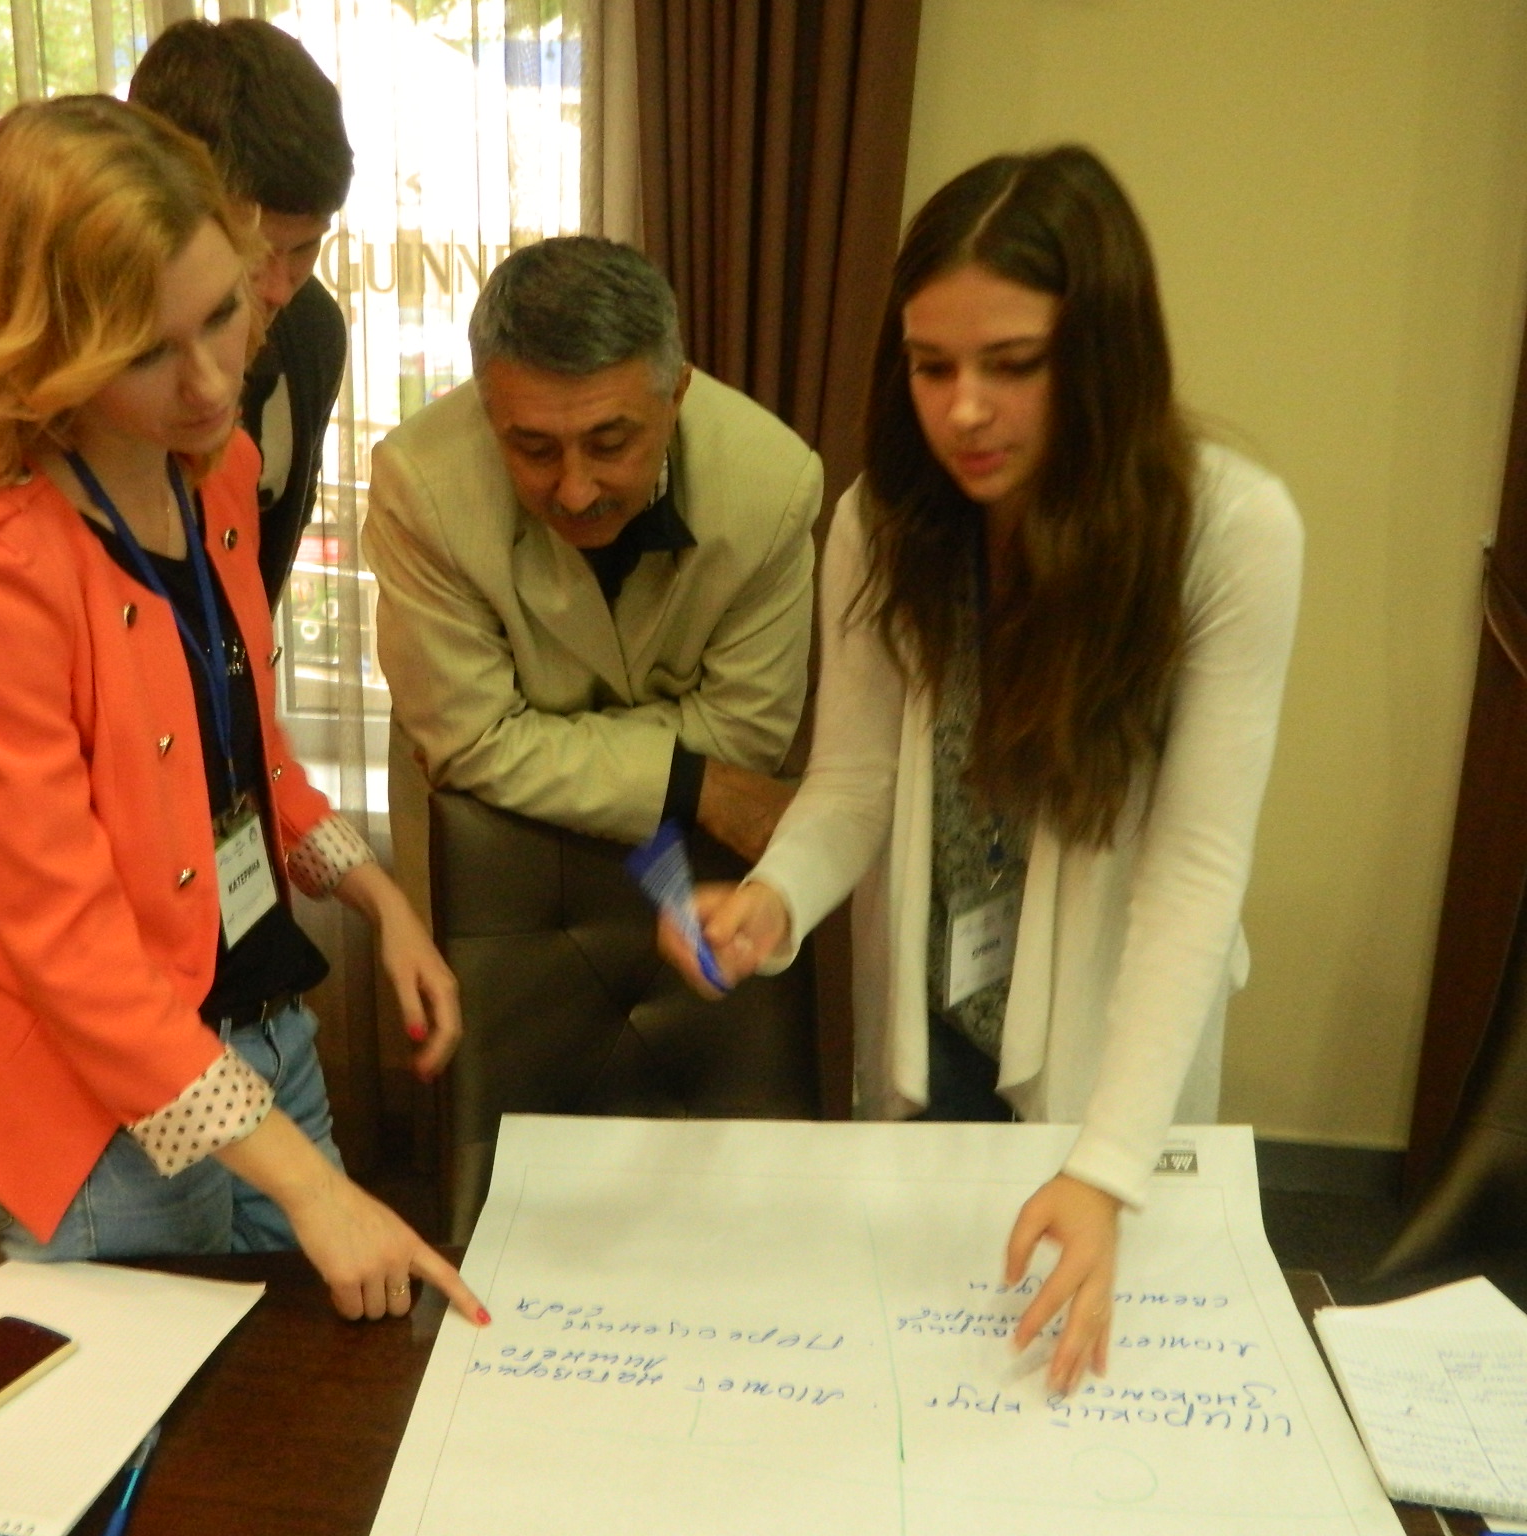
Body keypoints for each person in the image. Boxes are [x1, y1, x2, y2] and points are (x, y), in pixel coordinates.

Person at [663, 146, 1303, 1392]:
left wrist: (1104, 1170)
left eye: (1011, 364)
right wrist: (775, 899)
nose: (962, 410)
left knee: (1085, 1382)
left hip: (1114, 1041)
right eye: (930, 365)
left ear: (1102, 356)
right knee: (923, 1373)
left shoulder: (1228, 533)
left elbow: (1193, 870)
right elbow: (851, 785)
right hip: (935, 1019)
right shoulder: (882, 522)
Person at [0, 95, 480, 1326]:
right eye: (148, 353)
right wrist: (310, 1187)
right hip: (100, 1108)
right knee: (148, 1416)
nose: (213, 381)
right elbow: (65, 942)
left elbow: (246, 760)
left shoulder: (217, 476)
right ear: (47, 349)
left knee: (306, 1382)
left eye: (222, 315)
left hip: (262, 1036)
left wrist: (381, 902)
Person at [0, 18, 351, 845]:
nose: (278, 286)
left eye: (306, 249)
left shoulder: (310, 334)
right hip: (25, 789)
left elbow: (245, 572)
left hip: (204, 772)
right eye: (253, 249)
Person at [364, 236, 819, 867]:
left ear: (677, 394)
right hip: (484, 839)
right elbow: (471, 743)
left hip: (694, 844)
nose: (575, 493)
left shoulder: (773, 485)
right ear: (486, 411)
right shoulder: (419, 483)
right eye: (535, 450)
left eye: (610, 444)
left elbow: (746, 738)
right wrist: (692, 779)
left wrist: (515, 744)